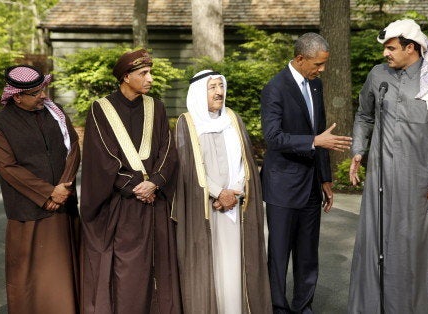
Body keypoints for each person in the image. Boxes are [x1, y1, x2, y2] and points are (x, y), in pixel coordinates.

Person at [347, 19, 428, 313]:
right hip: (379, 179)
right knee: (374, 243)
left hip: (419, 181)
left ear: (411, 48)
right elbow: (364, 114)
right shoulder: (377, 75)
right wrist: (358, 150)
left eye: (391, 48)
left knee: (411, 247)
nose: (386, 54)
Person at [79, 49, 181, 314]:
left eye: (150, 72)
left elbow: (168, 150)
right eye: (143, 73)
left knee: (159, 266)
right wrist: (136, 187)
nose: (150, 79)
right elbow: (102, 157)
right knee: (129, 270)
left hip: (155, 201)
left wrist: (155, 182)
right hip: (123, 206)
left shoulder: (156, 106)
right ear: (125, 77)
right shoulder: (100, 108)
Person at [260, 33, 352, 313]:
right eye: (318, 64)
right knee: (279, 255)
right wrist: (313, 142)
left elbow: (321, 132)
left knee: (308, 255)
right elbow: (273, 137)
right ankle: (278, 307)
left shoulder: (315, 85)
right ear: (300, 59)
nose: (322, 70)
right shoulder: (274, 88)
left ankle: (304, 307)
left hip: (311, 184)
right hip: (283, 186)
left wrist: (325, 179)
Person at [174, 70, 272, 314]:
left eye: (221, 86)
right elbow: (187, 167)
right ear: (199, 93)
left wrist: (234, 192)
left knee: (235, 265)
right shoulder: (186, 123)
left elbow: (245, 163)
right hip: (205, 207)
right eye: (212, 87)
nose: (219, 92)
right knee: (212, 265)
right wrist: (218, 193)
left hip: (236, 205)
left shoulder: (232, 118)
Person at [0, 65, 81, 313]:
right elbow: (8, 168)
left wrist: (63, 188)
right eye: (36, 92)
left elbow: (73, 147)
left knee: (66, 273)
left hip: (64, 205)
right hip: (29, 212)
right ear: (17, 96)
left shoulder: (54, 112)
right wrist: (48, 193)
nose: (43, 96)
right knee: (31, 281)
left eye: (43, 89)